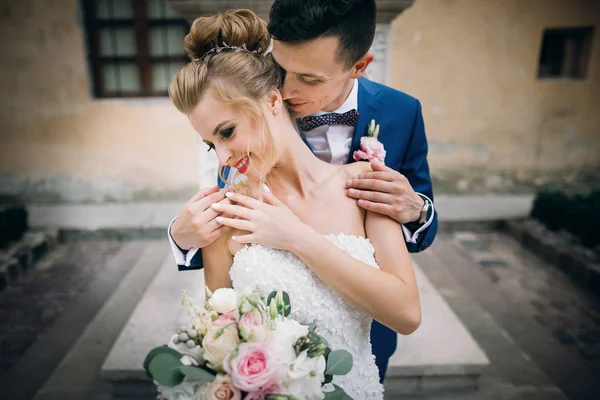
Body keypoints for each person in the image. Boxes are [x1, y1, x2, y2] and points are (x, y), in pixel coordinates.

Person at [169, 0, 438, 382]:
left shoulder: (369, 176)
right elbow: (222, 344)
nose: (289, 87)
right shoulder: (237, 195)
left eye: (309, 79)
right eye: (282, 70)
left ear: (358, 66)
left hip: (360, 356)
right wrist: (180, 237)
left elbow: (407, 312)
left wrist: (416, 211)